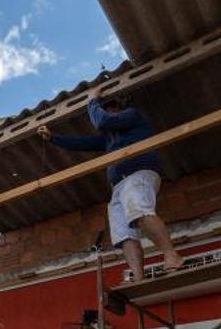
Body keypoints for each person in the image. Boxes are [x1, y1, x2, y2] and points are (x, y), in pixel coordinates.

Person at [38, 84, 184, 284]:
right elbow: (83, 143)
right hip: (118, 185)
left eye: (110, 107)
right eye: (105, 107)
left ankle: (171, 255)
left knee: (140, 211)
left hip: (138, 173)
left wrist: (92, 100)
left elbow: (103, 122)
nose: (107, 111)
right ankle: (139, 277)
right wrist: (53, 138)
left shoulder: (133, 115)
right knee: (123, 234)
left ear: (119, 107)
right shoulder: (109, 138)